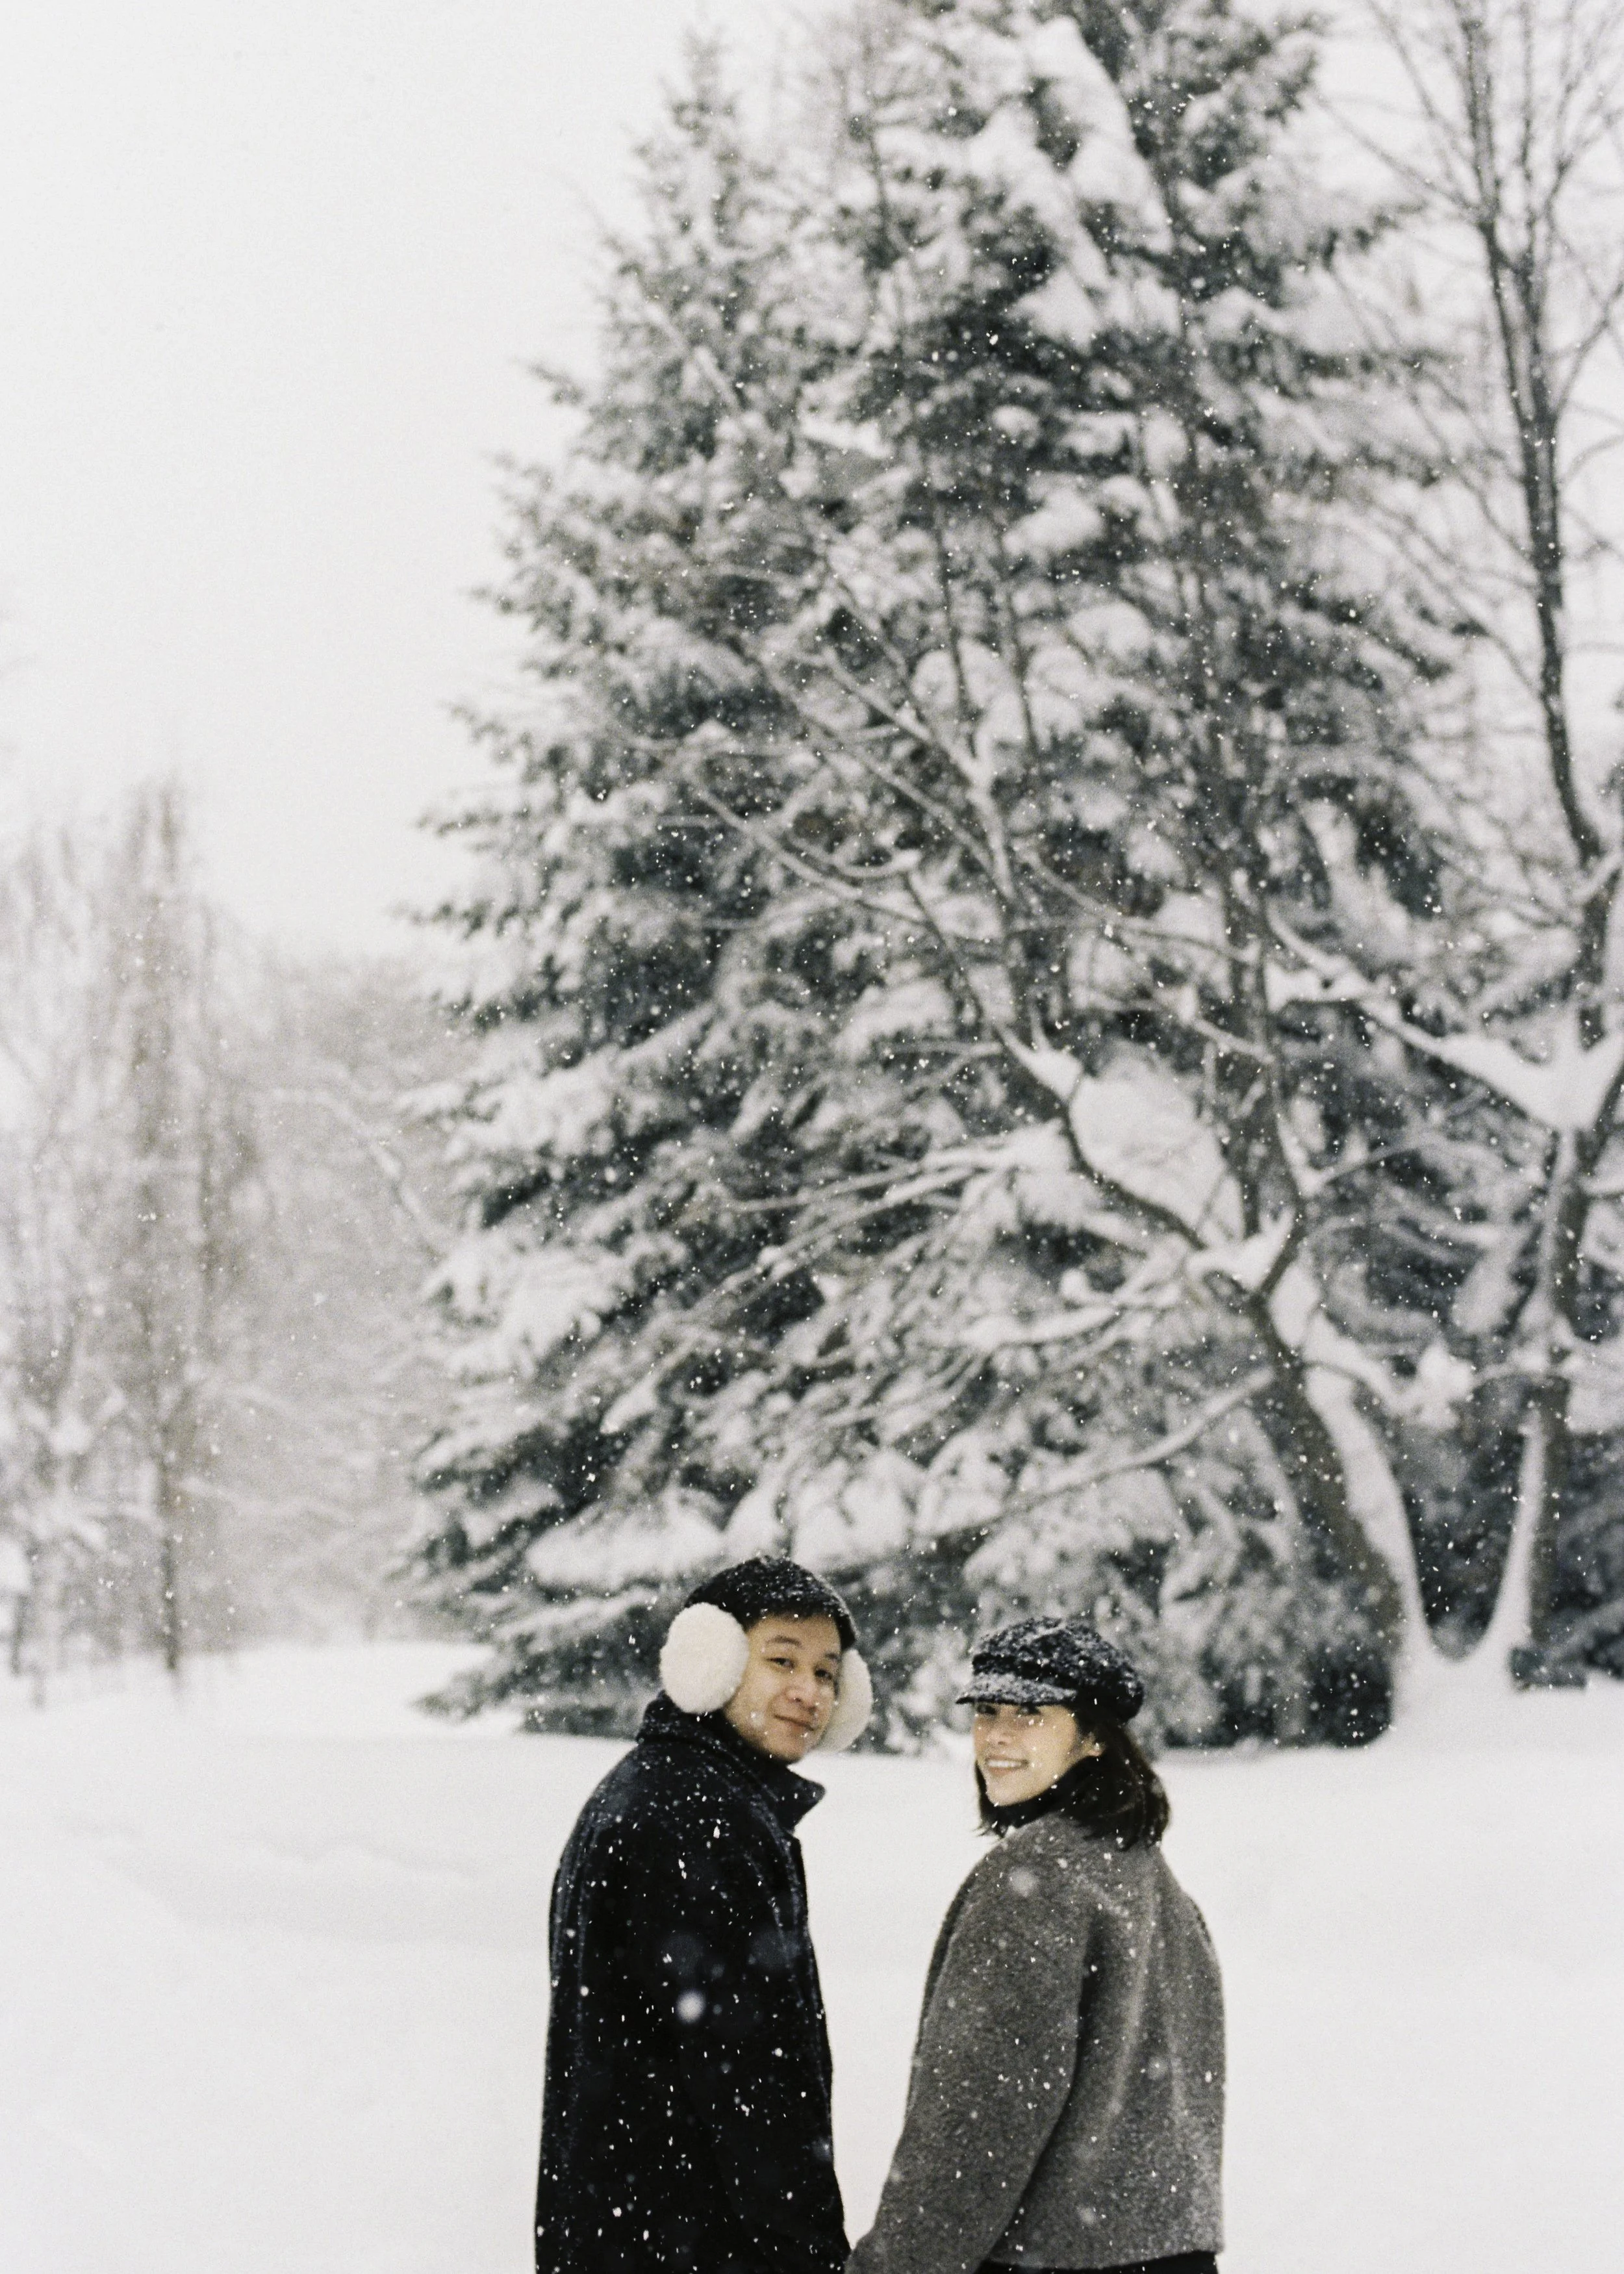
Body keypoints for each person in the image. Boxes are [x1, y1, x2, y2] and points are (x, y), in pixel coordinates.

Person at [848, 1616, 1224, 2274]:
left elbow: (977, 2125)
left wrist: (895, 2265)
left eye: (1029, 1713)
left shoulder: (1034, 1882)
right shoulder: (1152, 1881)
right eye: (986, 1710)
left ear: (1094, 1738)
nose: (995, 1734)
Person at [535, 1555, 873, 2274]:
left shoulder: (659, 1790)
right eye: (781, 1659)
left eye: (826, 1673)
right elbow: (753, 2087)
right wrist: (811, 2256)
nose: (807, 1691)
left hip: (625, 2235)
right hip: (693, 2245)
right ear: (709, 1660)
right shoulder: (701, 1819)